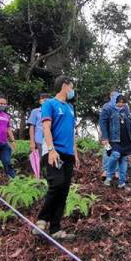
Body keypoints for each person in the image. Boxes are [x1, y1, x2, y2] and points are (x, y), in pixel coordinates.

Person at [34, 76, 79, 240]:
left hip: (68, 154)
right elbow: (46, 128)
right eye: (71, 87)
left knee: (64, 191)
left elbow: (71, 133)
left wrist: (76, 154)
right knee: (56, 184)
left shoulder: (70, 108)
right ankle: (42, 219)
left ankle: (55, 228)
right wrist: (51, 150)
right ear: (65, 86)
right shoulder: (49, 104)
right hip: (55, 152)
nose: (73, 91)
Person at [99, 92, 131, 191]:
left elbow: (130, 122)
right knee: (111, 154)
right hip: (111, 138)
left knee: (122, 158)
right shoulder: (107, 107)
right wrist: (104, 138)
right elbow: (102, 123)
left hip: (125, 139)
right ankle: (107, 174)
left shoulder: (125, 108)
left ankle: (121, 181)